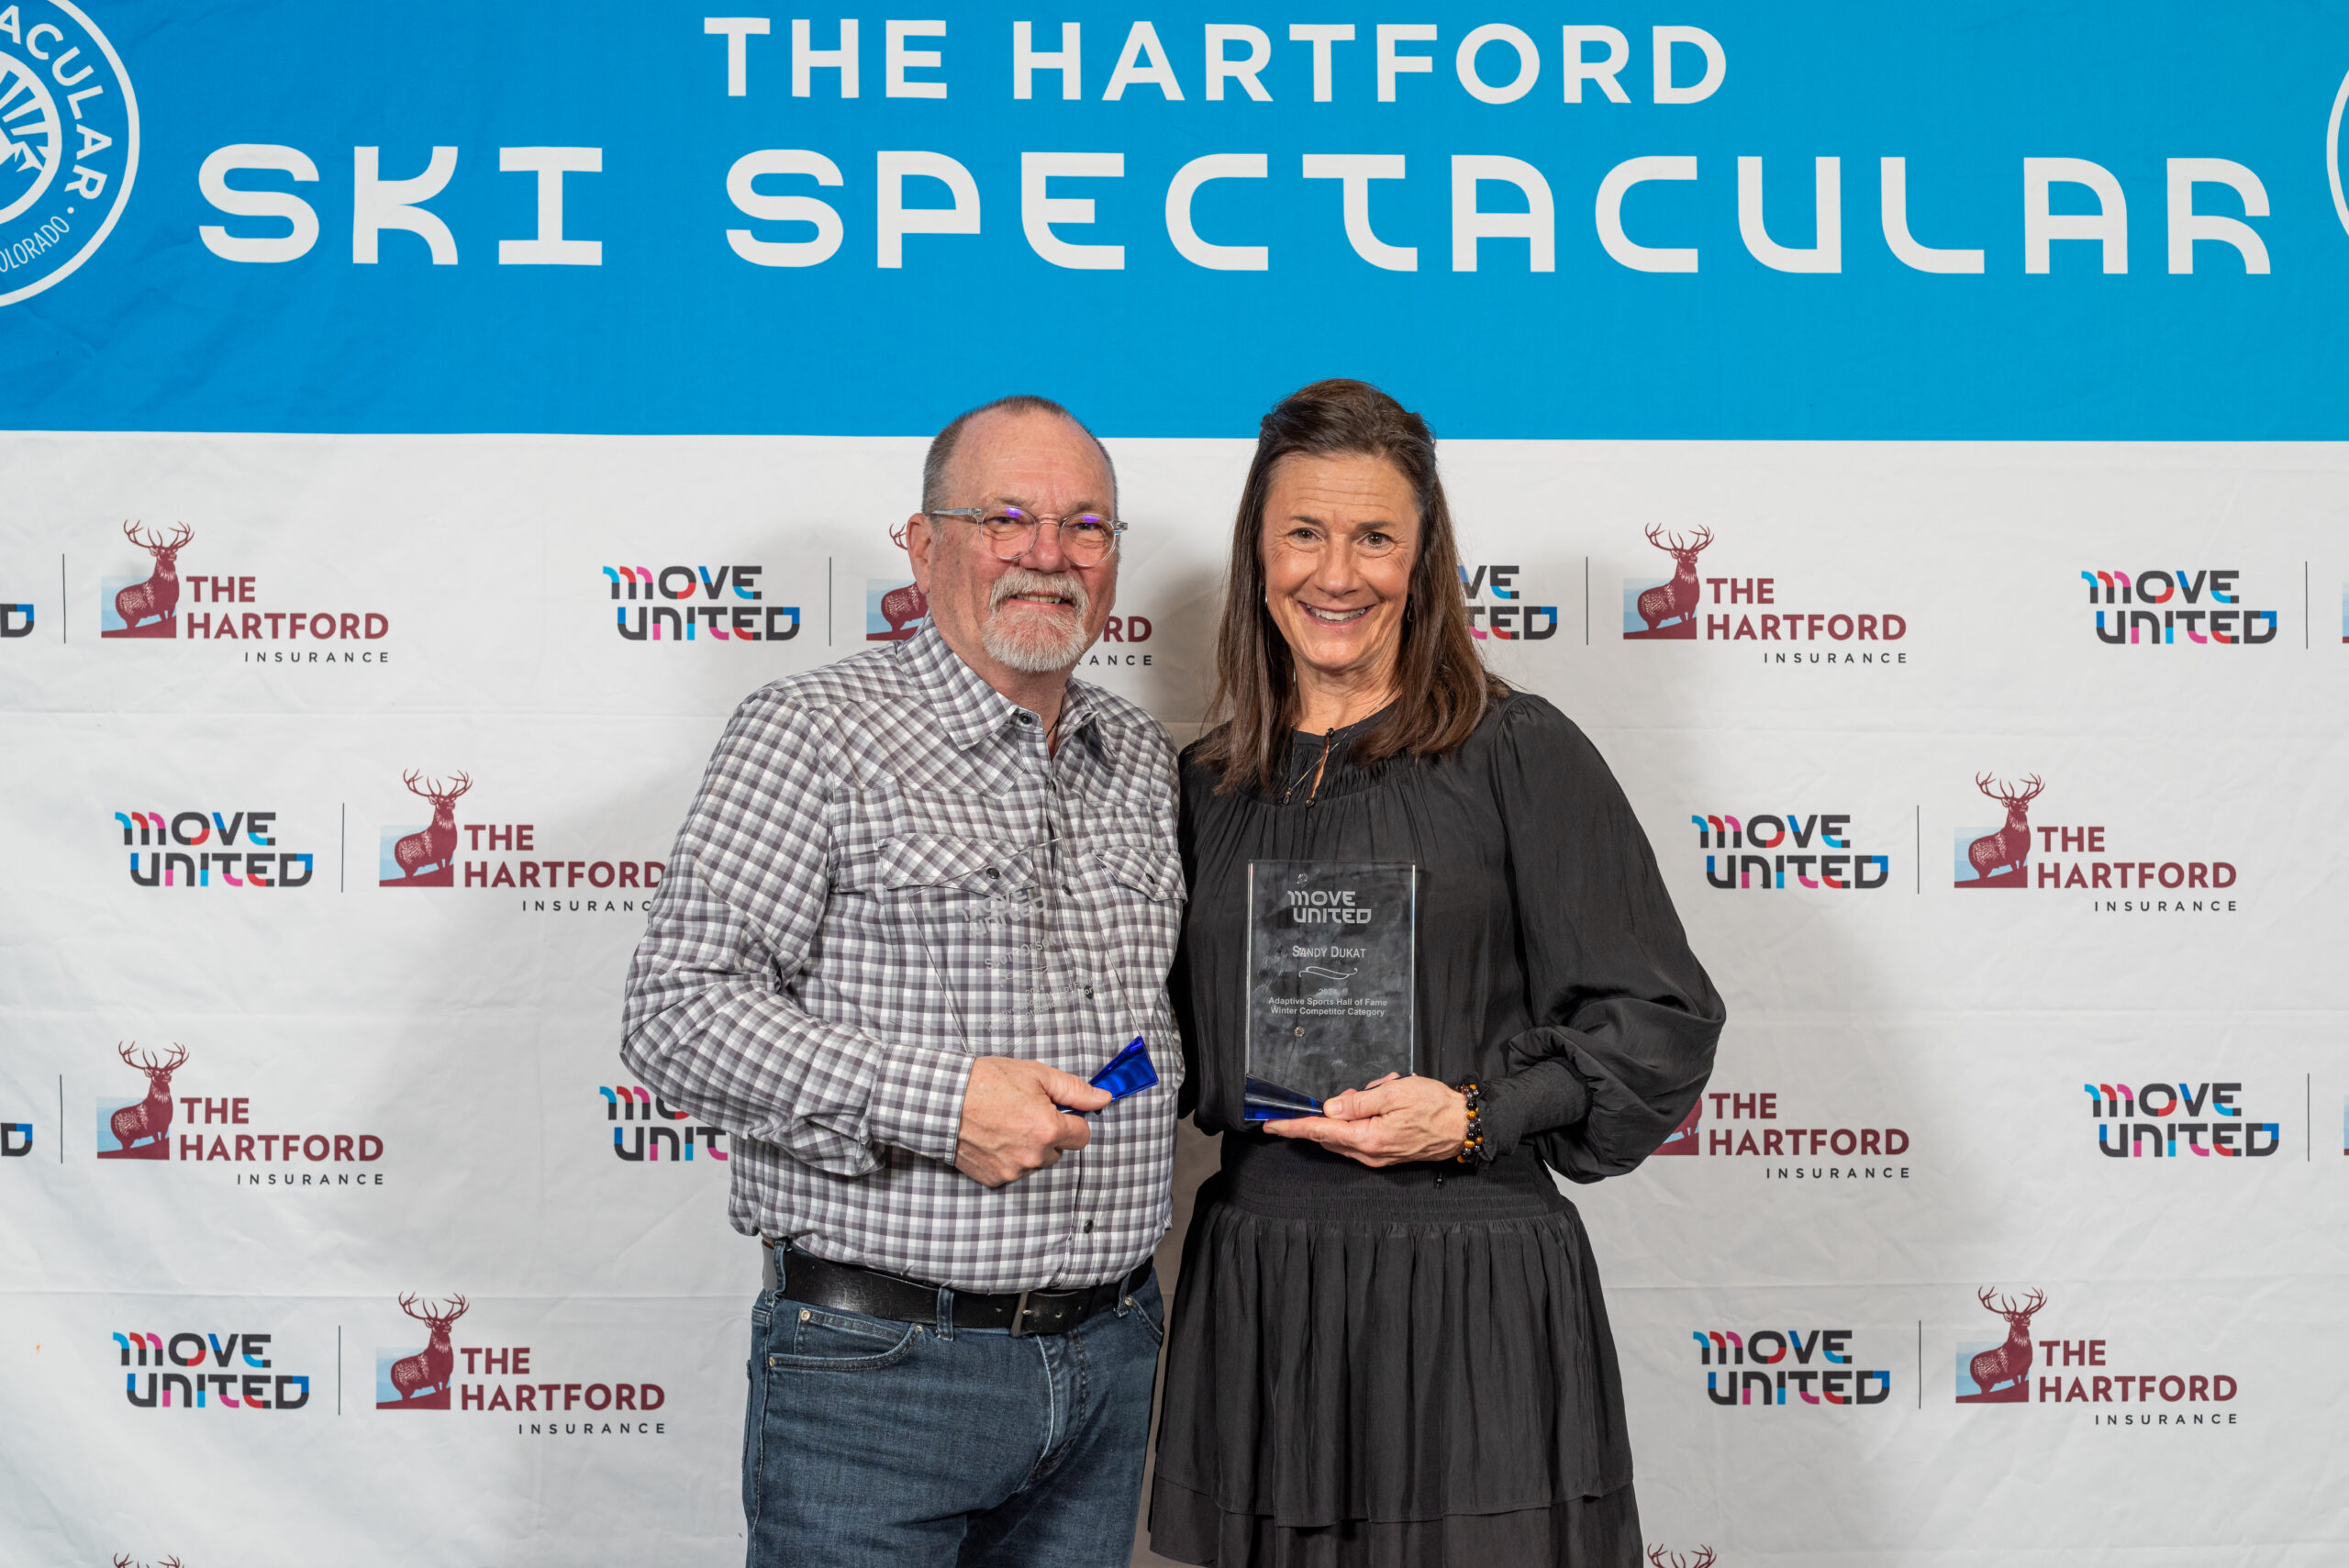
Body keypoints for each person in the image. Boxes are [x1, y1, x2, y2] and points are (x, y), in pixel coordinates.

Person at [1149, 380, 1725, 1566]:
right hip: (1267, 1285)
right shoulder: (1203, 786)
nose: (1337, 572)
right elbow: (1153, 1036)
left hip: (1473, 1281)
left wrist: (1474, 1114)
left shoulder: (1519, 750)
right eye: (1304, 532)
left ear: (1425, 559)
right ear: (1260, 549)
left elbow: (1655, 1017)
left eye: (1375, 537)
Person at [622, 395, 1185, 1568]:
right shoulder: (812, 732)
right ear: (925, 546)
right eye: (1007, 517)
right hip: (880, 1372)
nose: (1049, 552)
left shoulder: (1138, 756)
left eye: (1087, 525)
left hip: (1114, 1354)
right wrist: (942, 1102)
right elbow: (675, 1009)